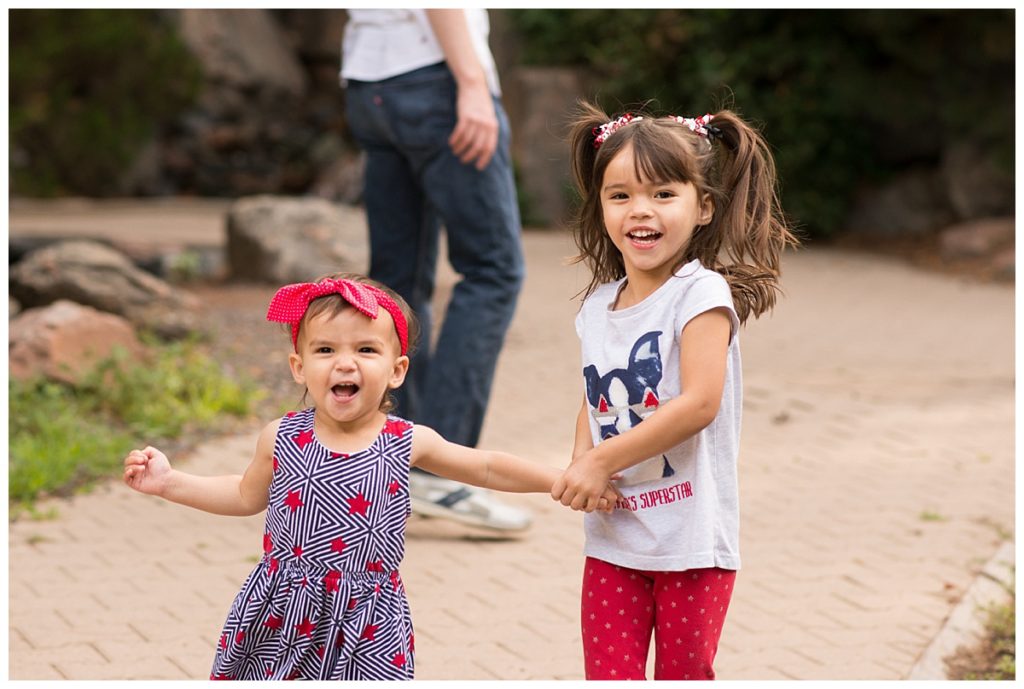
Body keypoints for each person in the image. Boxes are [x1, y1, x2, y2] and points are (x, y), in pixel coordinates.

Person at [123, 273, 617, 680]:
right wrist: (170, 482)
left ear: (396, 370)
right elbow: (242, 494)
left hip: (369, 621)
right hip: (280, 615)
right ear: (298, 366)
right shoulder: (281, 438)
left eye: (365, 349)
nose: (345, 362)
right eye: (324, 351)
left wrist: (564, 478)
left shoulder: (406, 441)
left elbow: (485, 466)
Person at [551, 102, 800, 680]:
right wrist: (580, 463)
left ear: (703, 206)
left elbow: (699, 403)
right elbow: (592, 395)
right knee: (608, 675)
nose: (641, 210)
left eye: (663, 194)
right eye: (621, 196)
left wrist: (602, 460)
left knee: (682, 676)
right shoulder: (597, 308)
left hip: (690, 544)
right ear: (602, 208)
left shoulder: (700, 295)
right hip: (614, 539)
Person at [340, 9, 530, 532]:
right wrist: (470, 81)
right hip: (435, 76)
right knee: (493, 270)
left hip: (369, 82)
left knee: (396, 284)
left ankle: (385, 463)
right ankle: (439, 467)